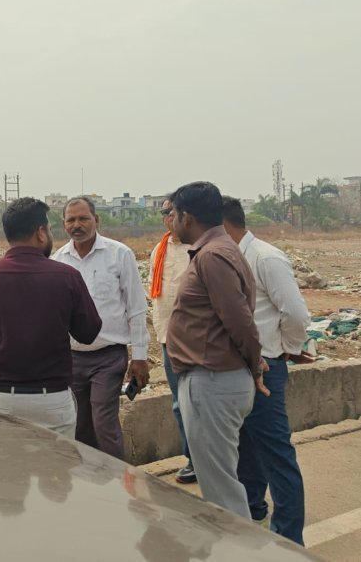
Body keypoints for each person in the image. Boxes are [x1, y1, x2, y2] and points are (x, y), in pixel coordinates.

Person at [166, 181, 267, 520]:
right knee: (220, 483)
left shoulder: (212, 256)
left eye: (173, 214)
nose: (171, 221)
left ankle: (236, 545)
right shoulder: (220, 249)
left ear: (187, 217)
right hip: (213, 379)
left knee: (222, 492)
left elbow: (240, 321)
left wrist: (255, 364)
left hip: (212, 381)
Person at [0, 197, 102, 436]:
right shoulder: (67, 276)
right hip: (53, 401)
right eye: (49, 228)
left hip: (1, 399)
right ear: (41, 232)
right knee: (58, 461)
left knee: (5, 461)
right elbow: (88, 333)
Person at [222, 197, 309, 545]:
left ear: (222, 225)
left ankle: (289, 540)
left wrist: (286, 348)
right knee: (245, 451)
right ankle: (252, 514)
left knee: (276, 455)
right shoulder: (226, 257)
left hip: (265, 367)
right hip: (234, 369)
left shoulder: (265, 258)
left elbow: (296, 314)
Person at [51, 197, 149, 460]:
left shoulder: (119, 254)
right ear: (64, 224)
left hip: (108, 356)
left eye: (83, 218)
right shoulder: (58, 260)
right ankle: (89, 478)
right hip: (72, 358)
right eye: (71, 220)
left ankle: (117, 477)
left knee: (104, 421)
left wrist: (140, 357)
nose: (77, 225)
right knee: (80, 424)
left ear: (96, 220)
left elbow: (137, 308)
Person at [149, 198, 195, 483]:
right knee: (180, 404)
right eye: (164, 213)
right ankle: (194, 460)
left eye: (171, 212)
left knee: (202, 403)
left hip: (197, 340)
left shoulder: (198, 248)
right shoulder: (160, 250)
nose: (167, 218)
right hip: (168, 338)